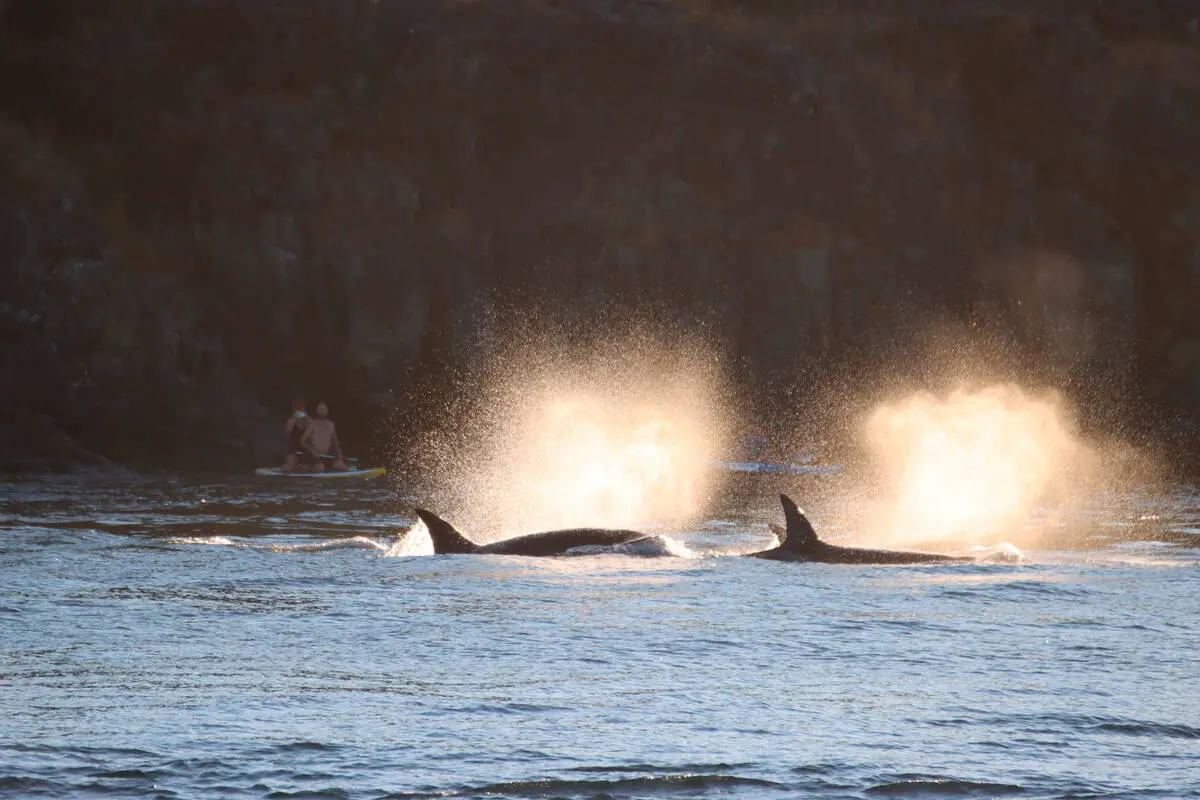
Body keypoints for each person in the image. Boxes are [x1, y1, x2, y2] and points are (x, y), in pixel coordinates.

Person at [301, 401, 348, 472]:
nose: (322, 412)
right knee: (320, 468)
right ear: (318, 411)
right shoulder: (312, 423)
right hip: (315, 455)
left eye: (324, 410)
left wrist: (339, 454)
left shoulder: (330, 424)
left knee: (342, 467)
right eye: (321, 410)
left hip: (327, 455)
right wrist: (313, 452)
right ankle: (309, 468)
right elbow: (303, 441)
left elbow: (336, 442)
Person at [283, 401, 310, 473]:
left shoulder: (307, 421)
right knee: (289, 468)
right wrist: (293, 422)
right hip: (292, 448)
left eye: (301, 410)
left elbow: (311, 434)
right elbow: (287, 435)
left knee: (304, 469)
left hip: (304, 449)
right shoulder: (291, 421)